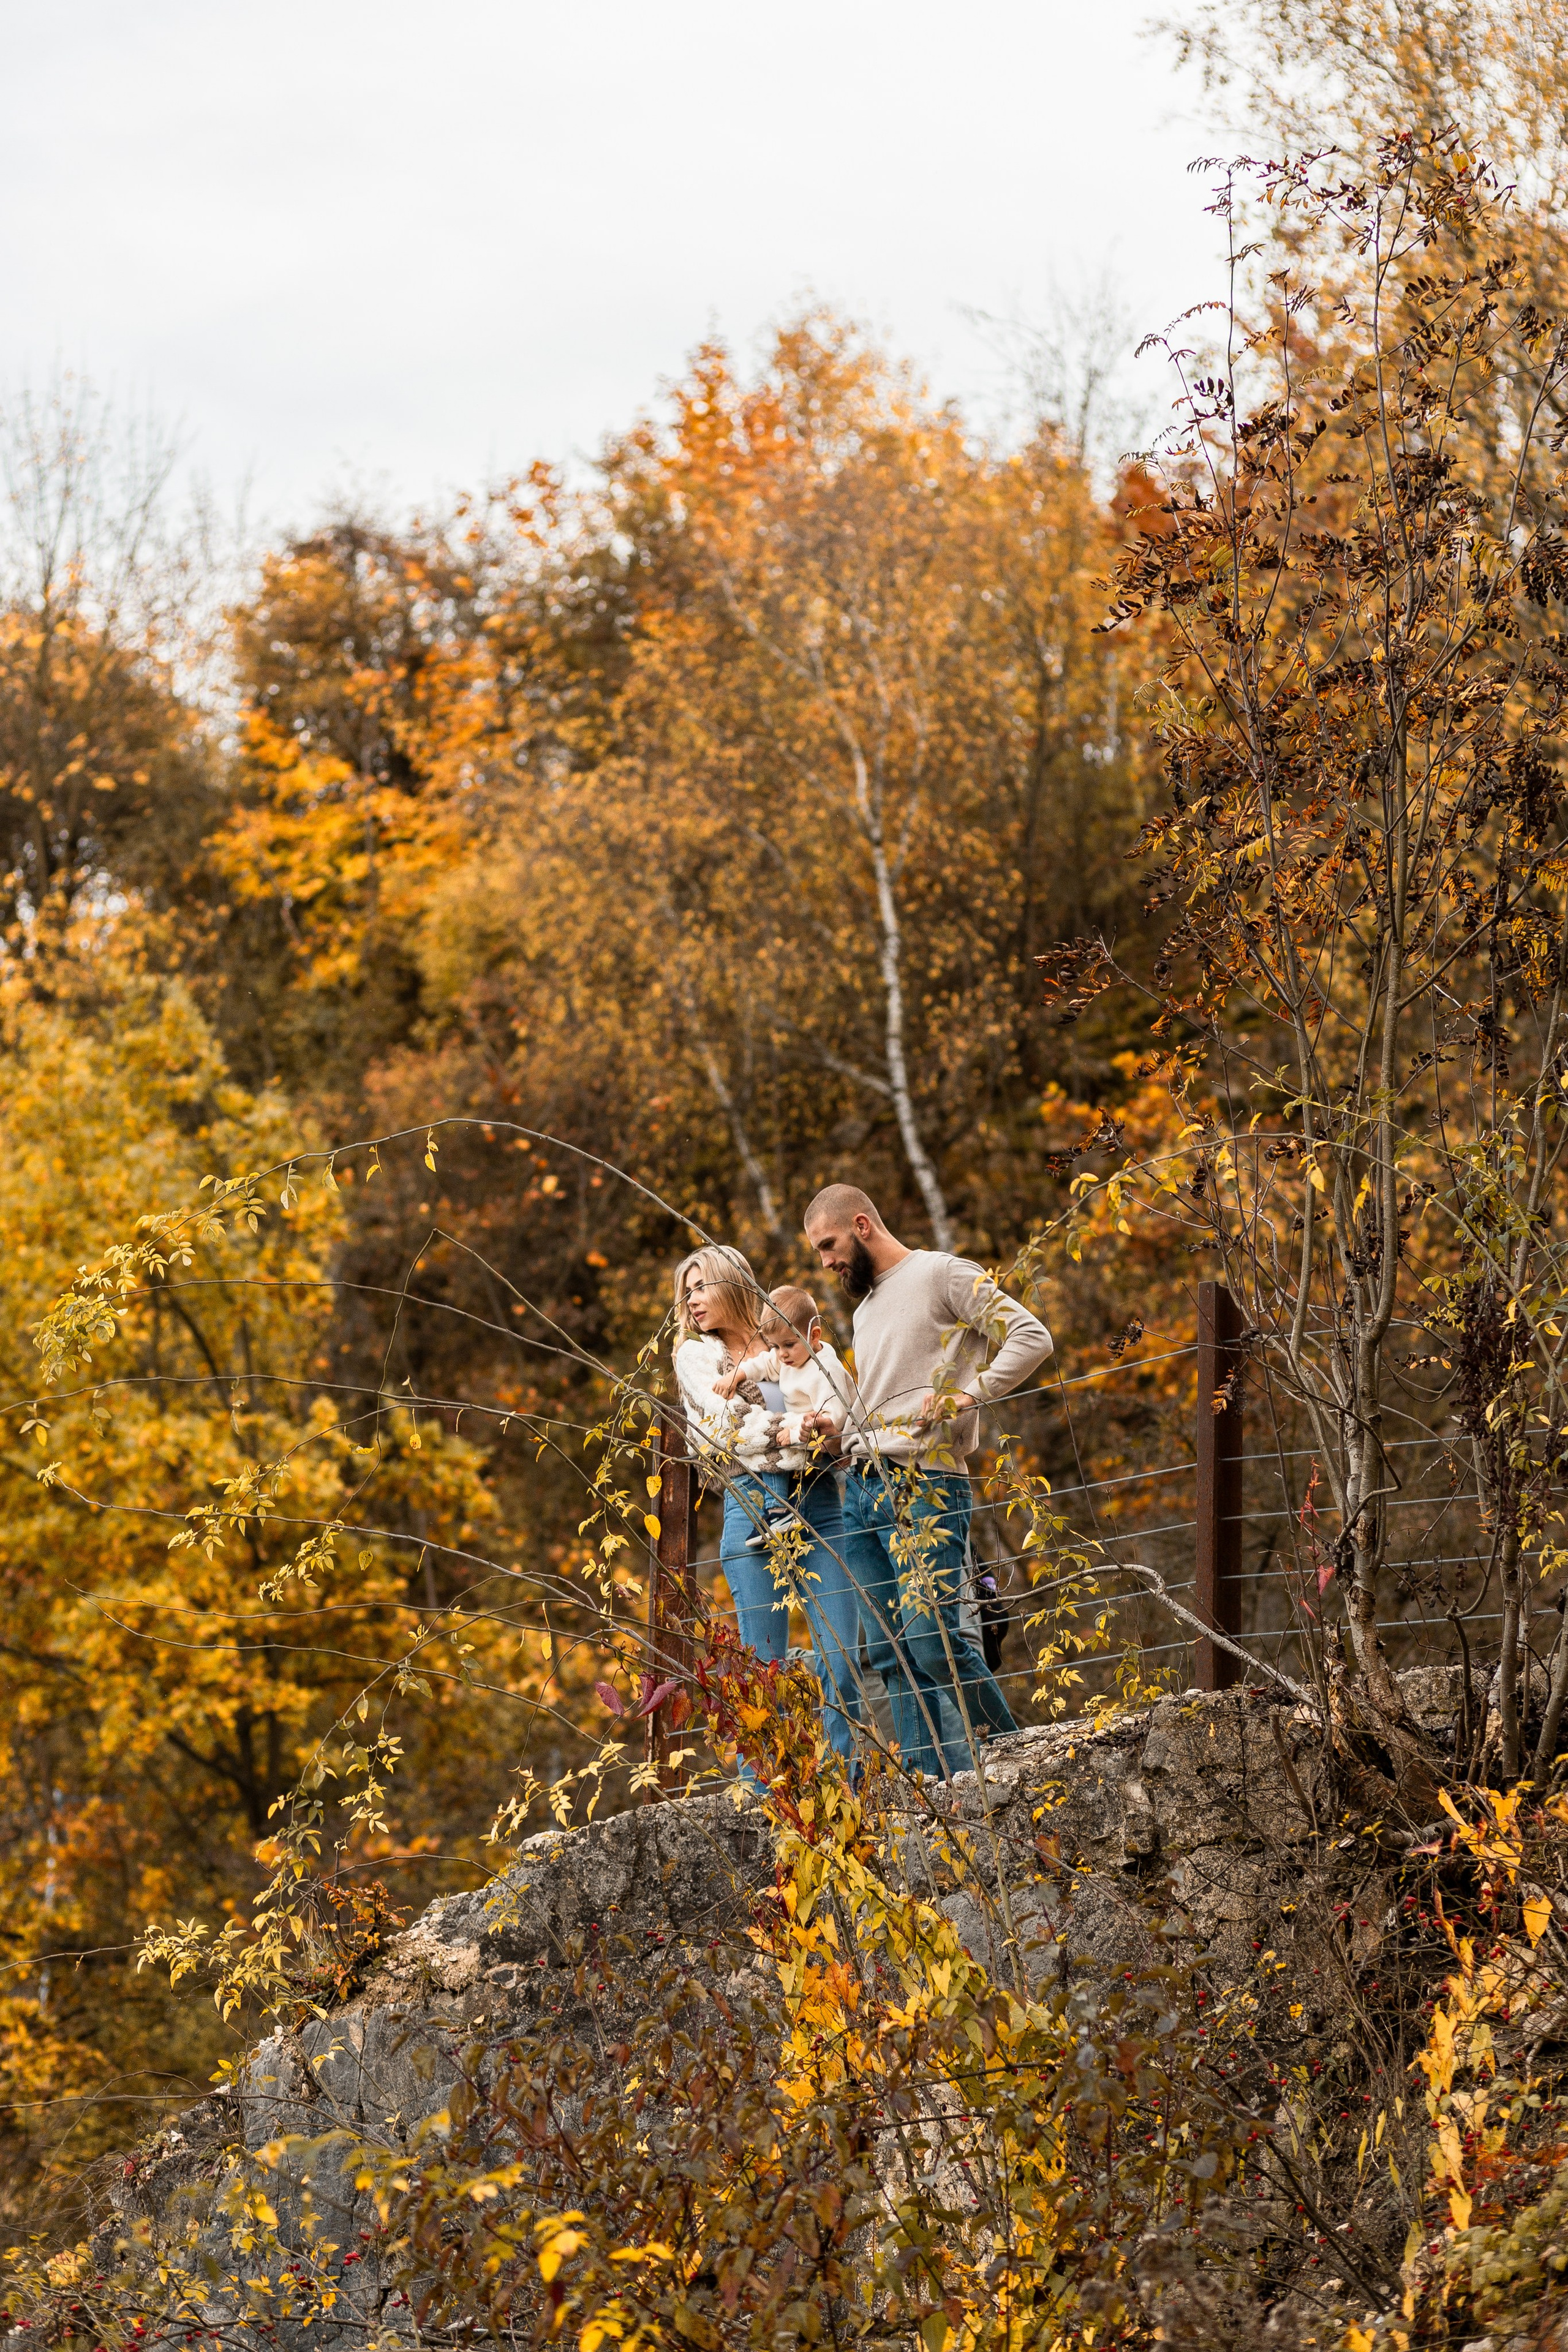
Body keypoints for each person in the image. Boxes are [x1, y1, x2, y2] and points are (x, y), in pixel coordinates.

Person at [802, 1183, 1053, 1780]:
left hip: (926, 1485)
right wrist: (836, 1429)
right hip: (862, 1489)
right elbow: (879, 1398)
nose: (826, 1262)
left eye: (829, 1245)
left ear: (861, 1225)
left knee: (933, 1643)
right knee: (890, 1655)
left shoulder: (942, 1274)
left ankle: (1024, 1764)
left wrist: (967, 1395)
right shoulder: (864, 1309)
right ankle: (929, 1787)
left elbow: (1032, 1337)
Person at [671, 1246, 862, 1768]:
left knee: (842, 1662)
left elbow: (838, 1405)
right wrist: (800, 1432)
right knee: (763, 1674)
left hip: (819, 1502)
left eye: (702, 1287)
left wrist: (831, 1432)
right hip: (753, 1506)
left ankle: (849, 1791)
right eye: (686, 1293)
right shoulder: (696, 1356)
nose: (692, 1301)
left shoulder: (789, 1333)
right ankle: (770, 1801)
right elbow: (726, 1429)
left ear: (733, 1283)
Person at [714, 1285, 853, 1545]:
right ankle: (780, 1509)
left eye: (788, 1345)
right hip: (801, 1436)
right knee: (772, 1436)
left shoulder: (825, 1371)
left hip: (822, 1446)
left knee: (774, 1444)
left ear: (814, 1335)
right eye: (775, 1346)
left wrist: (794, 1433)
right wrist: (737, 1374)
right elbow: (764, 1363)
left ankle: (778, 1511)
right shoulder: (790, 1357)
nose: (782, 1354)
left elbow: (831, 1420)